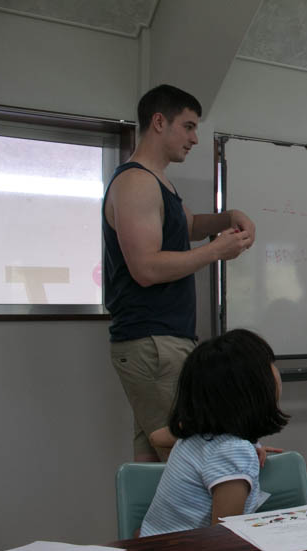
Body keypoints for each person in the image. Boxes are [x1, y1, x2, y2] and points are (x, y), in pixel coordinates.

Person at [104, 84, 256, 462]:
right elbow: (146, 268)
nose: (194, 138)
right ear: (159, 122)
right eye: (188, 127)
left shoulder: (158, 182)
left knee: (155, 463)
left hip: (162, 340)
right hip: (152, 341)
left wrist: (229, 216)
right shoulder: (136, 182)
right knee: (189, 459)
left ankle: (147, 525)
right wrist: (214, 251)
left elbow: (186, 227)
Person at [140, 329, 288, 537]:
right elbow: (223, 539)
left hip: (156, 548)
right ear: (251, 387)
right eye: (269, 365)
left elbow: (157, 437)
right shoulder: (234, 451)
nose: (276, 372)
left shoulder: (198, 433)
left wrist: (253, 446)